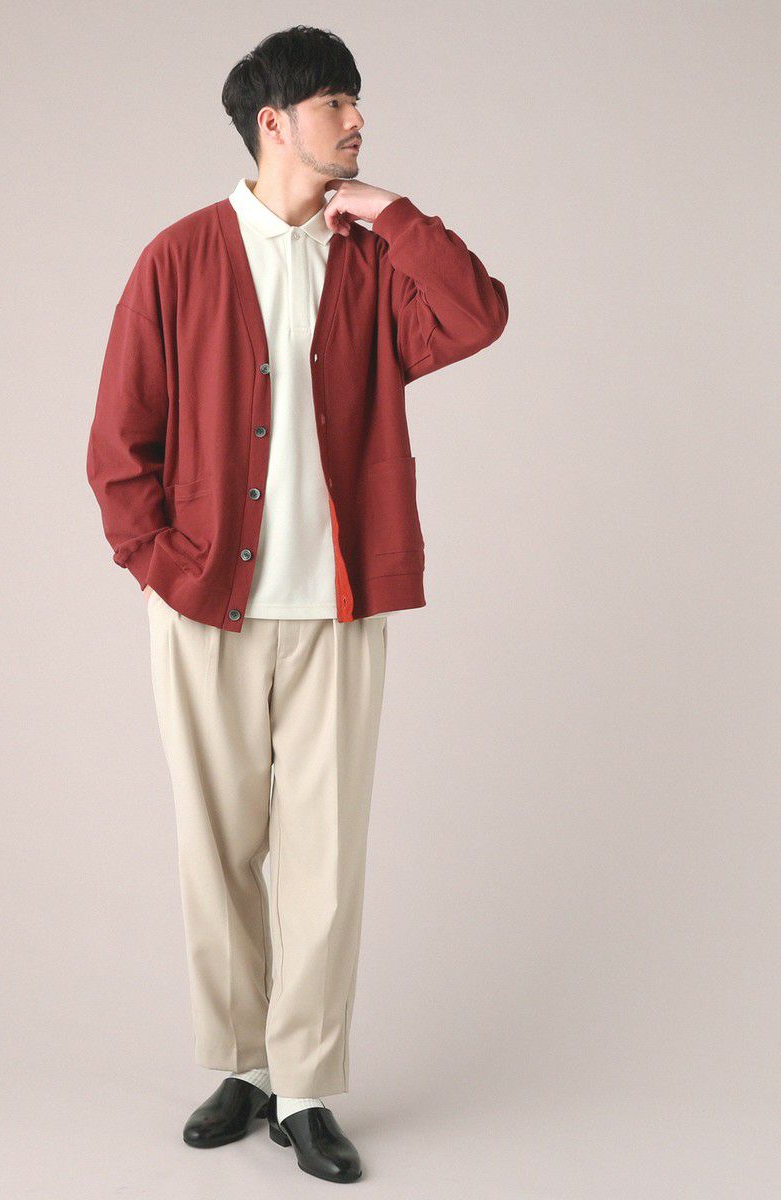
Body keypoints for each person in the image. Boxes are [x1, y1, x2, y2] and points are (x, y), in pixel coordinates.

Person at [86, 24, 508, 1183]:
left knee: (325, 854)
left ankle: (307, 1085)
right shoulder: (178, 258)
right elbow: (118, 446)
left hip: (338, 605)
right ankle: (241, 1064)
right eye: (334, 103)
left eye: (356, 101)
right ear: (273, 122)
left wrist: (395, 213)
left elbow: (476, 316)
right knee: (216, 844)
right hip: (204, 610)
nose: (357, 119)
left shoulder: (368, 259)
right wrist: (164, 568)